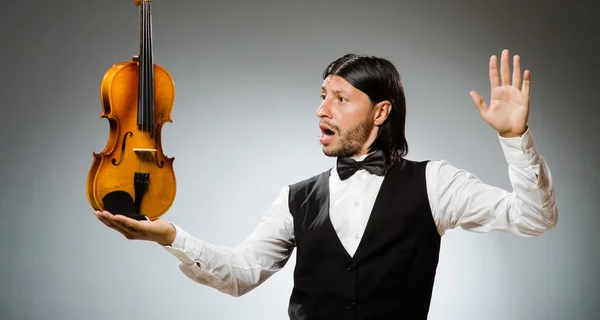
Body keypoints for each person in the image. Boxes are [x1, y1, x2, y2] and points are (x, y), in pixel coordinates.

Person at [95, 49, 558, 319]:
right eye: (322, 97)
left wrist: (514, 138)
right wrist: (171, 237)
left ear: (380, 112)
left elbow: (535, 219)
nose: (322, 110)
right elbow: (239, 275)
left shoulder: (435, 183)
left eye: (340, 98)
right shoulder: (296, 198)